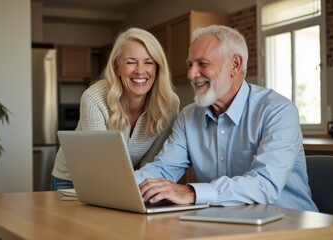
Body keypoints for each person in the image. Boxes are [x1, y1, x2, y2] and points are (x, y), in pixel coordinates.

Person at [134, 25, 318, 212]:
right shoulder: (188, 118)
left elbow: (265, 184)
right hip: (226, 223)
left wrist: (192, 193)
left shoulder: (278, 111)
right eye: (190, 64)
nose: (191, 74)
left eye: (202, 64)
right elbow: (163, 169)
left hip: (290, 224)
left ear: (235, 65)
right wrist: (121, 185)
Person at [51, 27, 180, 190]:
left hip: (120, 180)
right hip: (72, 179)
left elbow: (153, 165)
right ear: (117, 67)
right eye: (131, 62)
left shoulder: (169, 103)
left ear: (157, 67)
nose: (140, 71)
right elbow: (99, 164)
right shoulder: (94, 98)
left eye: (148, 62)